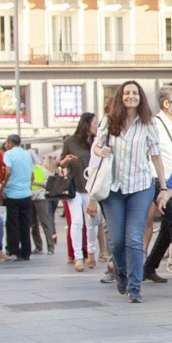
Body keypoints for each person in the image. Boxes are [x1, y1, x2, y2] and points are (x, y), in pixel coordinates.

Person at [95, 81, 168, 303]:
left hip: (140, 186)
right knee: (116, 241)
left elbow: (156, 155)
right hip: (113, 187)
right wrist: (102, 149)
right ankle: (122, 272)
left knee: (134, 238)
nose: (131, 96)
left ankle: (135, 287)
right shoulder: (109, 121)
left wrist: (163, 187)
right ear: (121, 97)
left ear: (140, 97)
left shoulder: (148, 123)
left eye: (135, 93)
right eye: (127, 93)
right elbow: (96, 147)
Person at [142, 85, 172, 287]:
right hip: (159, 180)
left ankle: (149, 266)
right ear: (166, 103)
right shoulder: (153, 124)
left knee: (167, 228)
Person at [60, 113, 97, 271]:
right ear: (86, 124)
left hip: (93, 188)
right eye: (95, 122)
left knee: (92, 223)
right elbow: (60, 163)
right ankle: (78, 257)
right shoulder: (71, 141)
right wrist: (66, 161)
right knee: (76, 222)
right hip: (75, 187)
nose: (97, 125)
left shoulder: (97, 141)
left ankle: (91, 253)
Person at [0, 134, 34, 261]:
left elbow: (7, 172)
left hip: (12, 193)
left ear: (9, 142)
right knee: (25, 223)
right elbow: (32, 175)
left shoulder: (8, 154)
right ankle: (26, 251)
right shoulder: (27, 154)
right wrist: (28, 187)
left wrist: (3, 186)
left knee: (13, 223)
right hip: (26, 194)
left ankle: (14, 249)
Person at [29, 147, 52, 255]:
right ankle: (39, 246)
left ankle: (49, 247)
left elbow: (39, 183)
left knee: (43, 223)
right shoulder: (32, 168)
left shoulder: (37, 169)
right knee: (34, 224)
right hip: (33, 198)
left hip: (39, 198)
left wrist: (31, 181)